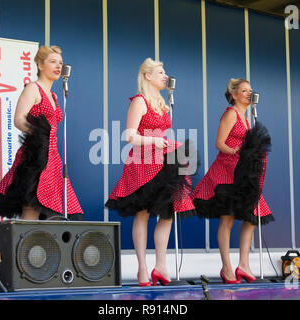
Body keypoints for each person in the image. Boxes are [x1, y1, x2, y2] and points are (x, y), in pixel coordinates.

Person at [105, 58, 196, 287]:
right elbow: (129, 136)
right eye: (160, 72)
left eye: (165, 72)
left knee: (167, 213)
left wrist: (164, 143)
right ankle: (142, 268)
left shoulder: (162, 102)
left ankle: (161, 265)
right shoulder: (139, 101)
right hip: (144, 162)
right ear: (148, 76)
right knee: (143, 213)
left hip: (165, 160)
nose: (165, 76)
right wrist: (154, 140)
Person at [191, 78, 274, 284]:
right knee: (227, 219)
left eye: (250, 90)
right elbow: (220, 143)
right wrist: (237, 150)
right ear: (235, 95)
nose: (248, 93)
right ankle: (227, 267)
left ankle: (243, 264)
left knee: (253, 216)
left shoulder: (248, 119)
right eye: (244, 90)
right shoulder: (231, 114)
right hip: (226, 171)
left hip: (243, 173)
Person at [0, 45, 83, 221]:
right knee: (32, 206)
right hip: (35, 156)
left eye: (60, 63)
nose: (58, 66)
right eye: (52, 62)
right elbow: (19, 119)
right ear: (40, 65)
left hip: (52, 158)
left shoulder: (54, 96)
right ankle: (23, 248)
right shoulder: (33, 88)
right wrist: (38, 134)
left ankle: (41, 247)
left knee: (57, 210)